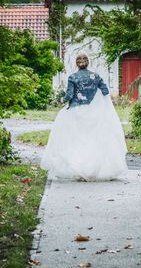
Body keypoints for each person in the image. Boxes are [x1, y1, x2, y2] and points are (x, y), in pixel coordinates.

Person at [41, 53, 128, 181]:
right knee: (93, 140)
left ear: (77, 64)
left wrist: (61, 100)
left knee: (77, 141)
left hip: (76, 112)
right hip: (94, 112)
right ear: (88, 63)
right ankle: (94, 170)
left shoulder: (73, 77)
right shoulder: (96, 76)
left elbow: (69, 95)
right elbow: (105, 91)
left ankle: (79, 168)